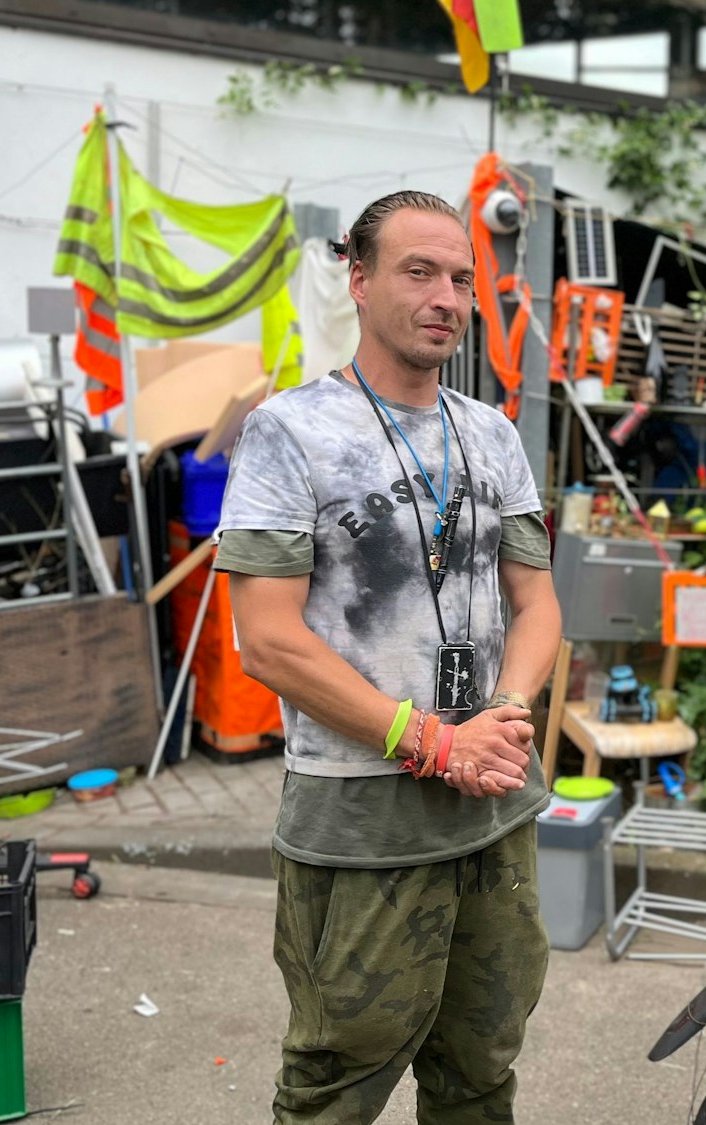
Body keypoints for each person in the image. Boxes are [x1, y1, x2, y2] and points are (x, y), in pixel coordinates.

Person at [216, 190, 562, 1124]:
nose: (446, 296)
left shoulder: (491, 433)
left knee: (482, 1069)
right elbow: (269, 640)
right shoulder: (289, 432)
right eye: (419, 271)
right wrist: (431, 741)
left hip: (493, 811)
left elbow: (537, 604)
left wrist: (506, 717)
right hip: (363, 819)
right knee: (337, 1081)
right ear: (359, 279)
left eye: (460, 277)